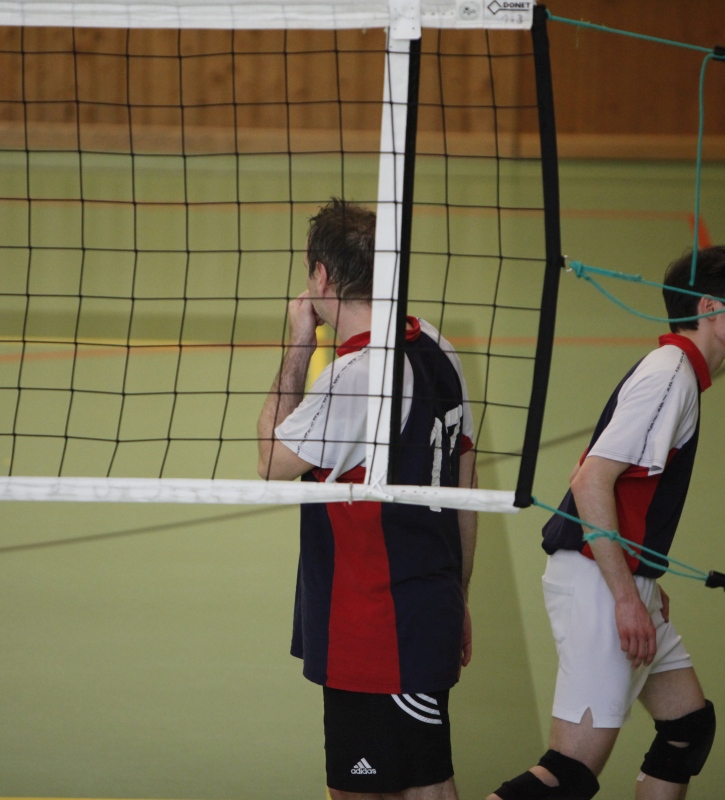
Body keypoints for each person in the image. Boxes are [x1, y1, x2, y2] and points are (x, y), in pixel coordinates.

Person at [488, 246, 725, 800]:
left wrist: (641, 579)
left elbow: (599, 475)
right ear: (710, 307)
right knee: (567, 775)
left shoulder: (677, 374)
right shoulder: (670, 377)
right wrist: (624, 595)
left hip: (617, 575)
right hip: (599, 584)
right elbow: (590, 481)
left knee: (688, 727)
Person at [257, 198, 478, 800]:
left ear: (321, 276)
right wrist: (458, 596)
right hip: (423, 610)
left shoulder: (356, 378)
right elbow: (465, 486)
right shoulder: (439, 348)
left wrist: (300, 341)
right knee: (409, 783)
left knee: (413, 790)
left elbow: (270, 460)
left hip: (377, 629)